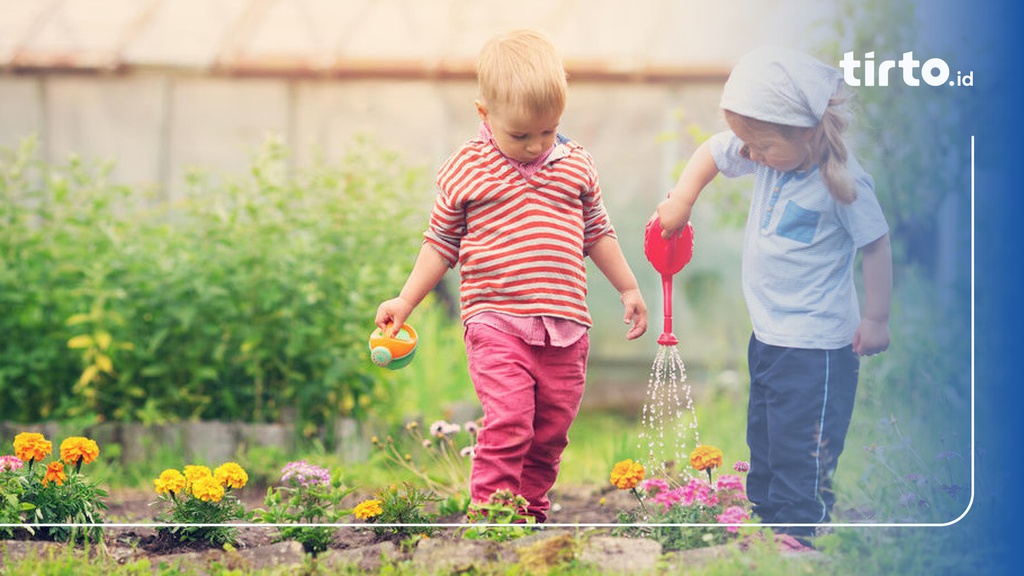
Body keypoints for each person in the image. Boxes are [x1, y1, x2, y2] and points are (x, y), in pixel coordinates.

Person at [375, 29, 648, 523]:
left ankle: (529, 510)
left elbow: (598, 232)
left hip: (566, 325)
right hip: (495, 319)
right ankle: (491, 516)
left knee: (550, 430)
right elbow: (440, 243)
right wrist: (405, 300)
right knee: (510, 420)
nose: (535, 145)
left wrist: (628, 286)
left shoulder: (576, 165)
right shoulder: (466, 168)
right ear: (484, 114)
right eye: (520, 135)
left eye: (547, 131)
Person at [656, 46, 892, 549]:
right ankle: (769, 519)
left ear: (804, 131)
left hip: (818, 343)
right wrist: (681, 200)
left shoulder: (845, 182)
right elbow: (711, 153)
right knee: (764, 433)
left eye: (760, 145)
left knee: (801, 441)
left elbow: (876, 245)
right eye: (748, 143)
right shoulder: (766, 153)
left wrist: (876, 317)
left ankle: (801, 530)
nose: (750, 154)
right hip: (770, 334)